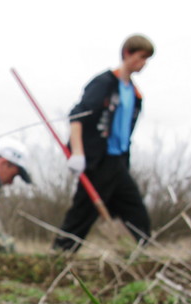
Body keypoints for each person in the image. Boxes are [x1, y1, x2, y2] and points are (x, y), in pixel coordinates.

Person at [53, 34, 155, 252]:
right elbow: (77, 117)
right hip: (98, 160)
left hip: (119, 161)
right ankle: (60, 254)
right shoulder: (104, 83)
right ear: (127, 53)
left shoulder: (135, 95)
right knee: (83, 213)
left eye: (147, 59)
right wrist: (78, 154)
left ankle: (140, 258)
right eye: (142, 57)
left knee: (137, 215)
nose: (144, 63)